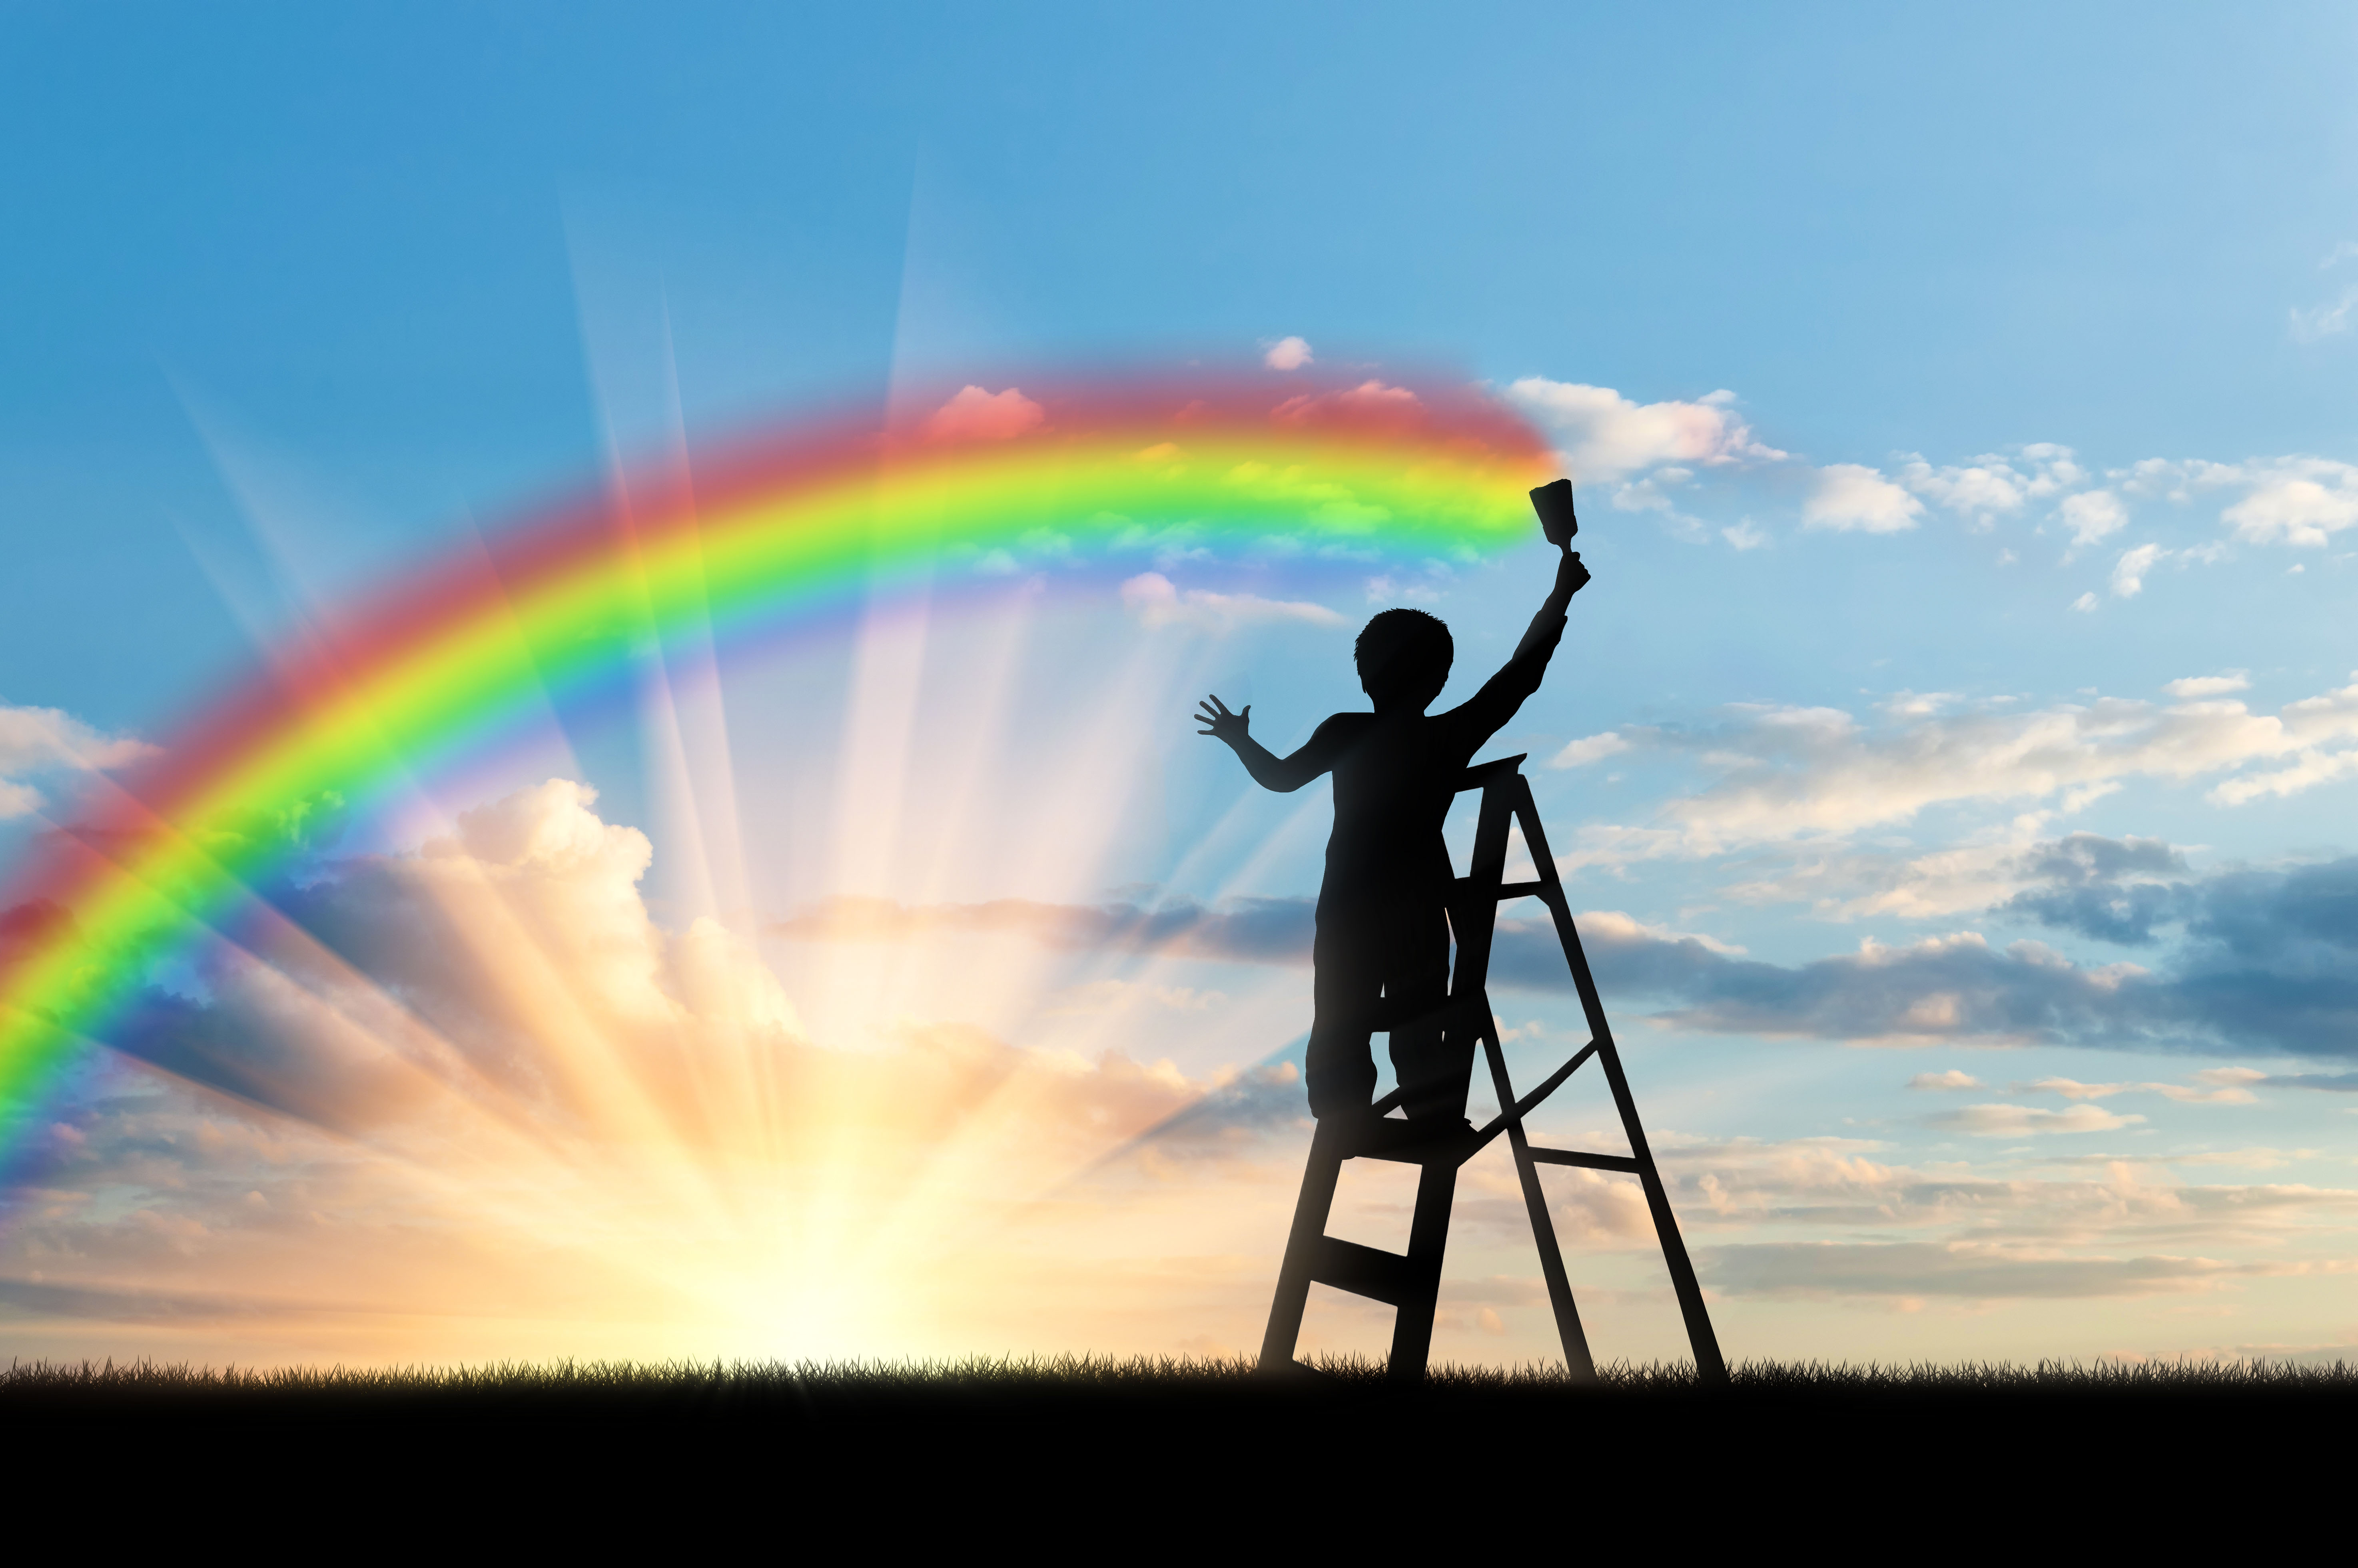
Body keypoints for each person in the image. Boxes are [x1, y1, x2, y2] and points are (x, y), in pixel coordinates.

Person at [1195, 538, 1591, 1126]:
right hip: (1413, 902)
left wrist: (1238, 740)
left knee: (1340, 1011)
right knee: (1415, 1013)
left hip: (1350, 902)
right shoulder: (1446, 737)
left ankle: (1342, 1112)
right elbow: (1518, 677)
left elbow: (1280, 779)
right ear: (1437, 679)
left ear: (1366, 676)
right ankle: (1425, 1114)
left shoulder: (1346, 731)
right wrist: (1557, 599)